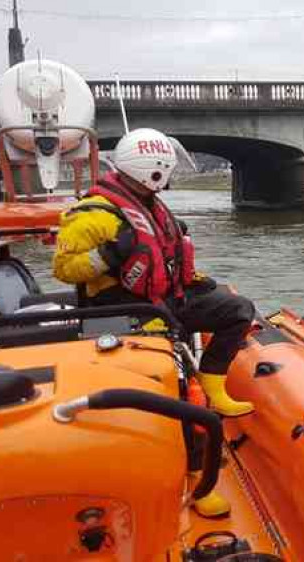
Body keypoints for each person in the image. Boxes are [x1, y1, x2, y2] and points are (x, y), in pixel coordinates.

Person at [52, 128, 254, 517]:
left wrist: (193, 279)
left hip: (165, 301)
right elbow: (64, 268)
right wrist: (110, 256)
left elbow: (165, 259)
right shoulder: (94, 215)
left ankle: (216, 385)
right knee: (177, 387)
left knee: (236, 310)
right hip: (126, 311)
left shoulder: (152, 205)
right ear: (153, 170)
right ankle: (198, 478)